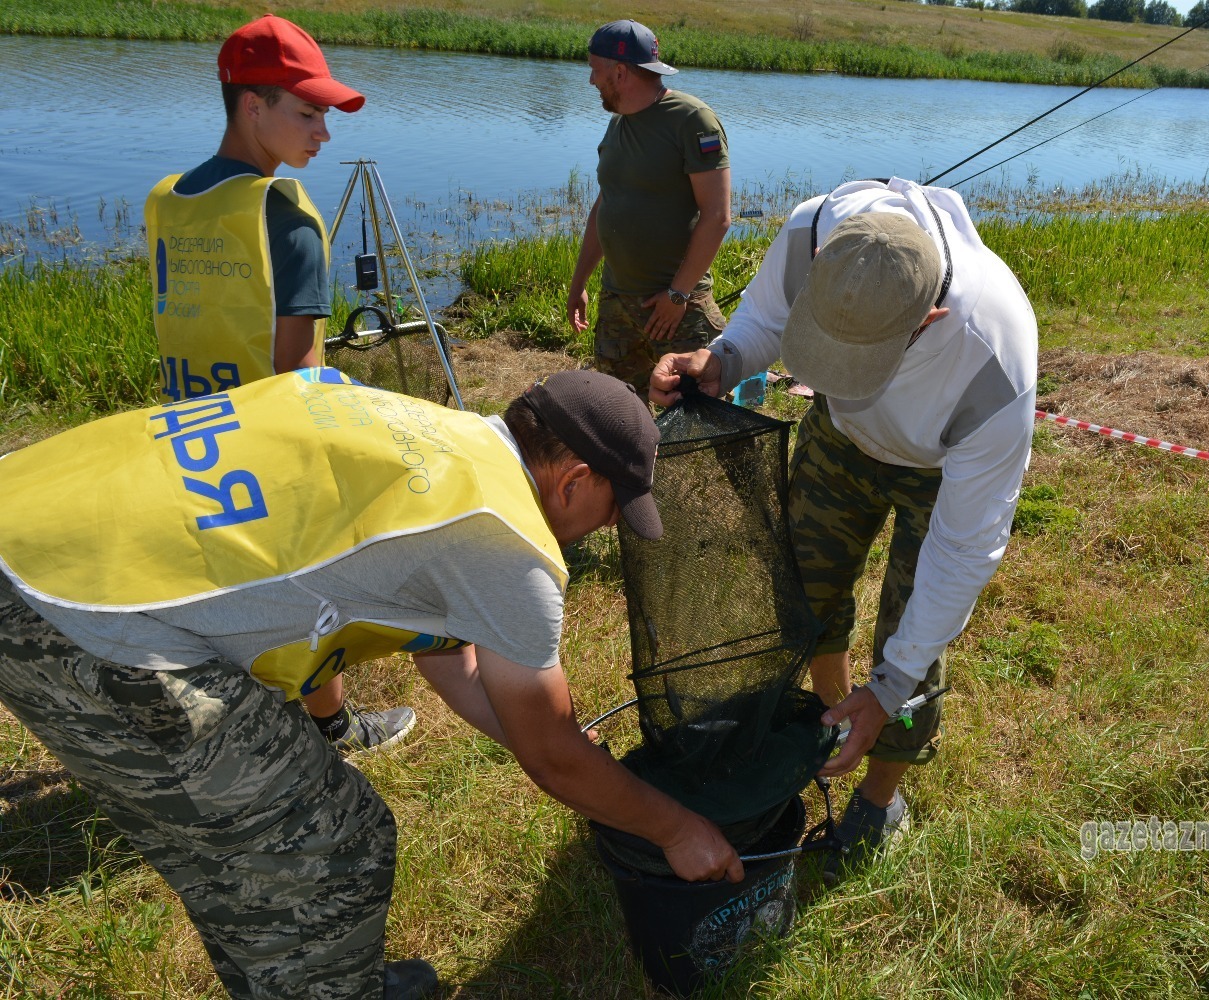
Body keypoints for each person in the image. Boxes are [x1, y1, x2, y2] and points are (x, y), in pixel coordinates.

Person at [0, 368, 743, 1000]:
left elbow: (452, 661)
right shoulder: (508, 542)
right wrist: (678, 830)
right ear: (575, 480)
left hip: (38, 503)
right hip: (75, 609)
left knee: (247, 837)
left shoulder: (444, 439)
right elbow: (551, 757)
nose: (607, 530)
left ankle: (304, 975)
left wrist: (562, 747)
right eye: (615, 511)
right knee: (326, 848)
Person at [650, 178, 1039, 884]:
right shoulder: (814, 232)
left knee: (910, 642)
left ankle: (879, 798)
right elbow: (764, 317)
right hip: (839, 440)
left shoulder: (994, 360)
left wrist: (890, 687)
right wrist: (724, 358)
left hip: (938, 469)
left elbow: (963, 551)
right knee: (802, 594)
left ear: (930, 318)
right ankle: (833, 718)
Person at [145, 14, 413, 754]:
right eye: (307, 113)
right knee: (308, 589)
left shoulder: (169, 198)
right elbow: (295, 371)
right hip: (267, 444)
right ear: (251, 106)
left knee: (219, 582)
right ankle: (332, 727)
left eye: (325, 115)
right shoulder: (285, 214)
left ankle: (226, 716)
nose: (323, 134)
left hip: (188, 430)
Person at [566, 19, 732, 397]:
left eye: (595, 69)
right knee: (618, 411)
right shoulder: (619, 123)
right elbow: (605, 204)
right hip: (617, 303)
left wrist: (678, 295)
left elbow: (717, 217)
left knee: (701, 410)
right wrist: (579, 283)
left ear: (620, 72)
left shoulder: (692, 120)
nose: (591, 80)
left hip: (676, 309)